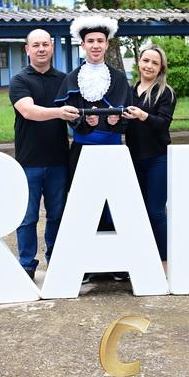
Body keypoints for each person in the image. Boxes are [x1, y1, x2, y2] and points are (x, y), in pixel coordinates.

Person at [55, 15, 132, 282]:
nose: (96, 45)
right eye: (91, 41)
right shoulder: (72, 78)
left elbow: (128, 113)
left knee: (115, 204)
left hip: (113, 150)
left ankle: (118, 262)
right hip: (82, 150)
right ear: (83, 45)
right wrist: (81, 123)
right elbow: (66, 112)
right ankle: (85, 264)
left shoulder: (119, 78)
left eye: (100, 40)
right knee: (83, 204)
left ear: (107, 44)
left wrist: (116, 122)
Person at [9, 28, 79, 280]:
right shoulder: (19, 80)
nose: (41, 49)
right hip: (29, 161)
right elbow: (28, 111)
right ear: (27, 49)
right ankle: (27, 264)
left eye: (45, 44)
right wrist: (60, 112)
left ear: (52, 47)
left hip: (59, 160)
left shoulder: (64, 79)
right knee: (27, 217)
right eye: (36, 45)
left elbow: (76, 115)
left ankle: (56, 260)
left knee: (58, 215)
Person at [123, 44, 176, 267]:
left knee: (155, 211)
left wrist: (143, 115)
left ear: (161, 68)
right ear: (138, 62)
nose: (149, 66)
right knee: (138, 212)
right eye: (146, 60)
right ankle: (144, 259)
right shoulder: (129, 91)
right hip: (133, 159)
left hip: (157, 159)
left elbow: (163, 123)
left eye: (155, 63)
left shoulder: (165, 92)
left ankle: (165, 262)